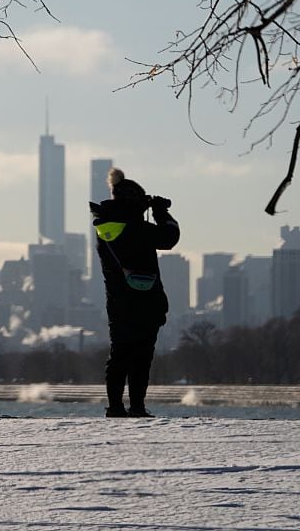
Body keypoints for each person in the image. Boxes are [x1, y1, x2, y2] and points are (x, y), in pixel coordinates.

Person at [89, 167, 180, 418]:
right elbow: (170, 237)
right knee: (141, 357)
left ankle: (115, 407)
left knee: (119, 354)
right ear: (134, 203)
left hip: (118, 302)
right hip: (147, 301)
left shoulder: (107, 228)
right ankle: (137, 406)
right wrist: (162, 213)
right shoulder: (136, 229)